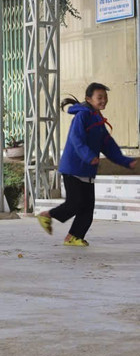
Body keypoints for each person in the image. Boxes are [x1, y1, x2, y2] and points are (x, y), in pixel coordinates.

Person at [36, 83, 138, 246]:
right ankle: (47, 215)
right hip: (73, 168)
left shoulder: (98, 120)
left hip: (87, 170)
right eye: (100, 97)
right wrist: (88, 156)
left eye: (105, 97)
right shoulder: (82, 116)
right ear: (89, 99)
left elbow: (109, 146)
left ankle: (73, 237)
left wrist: (126, 161)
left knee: (87, 208)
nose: (104, 100)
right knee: (75, 203)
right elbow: (76, 139)